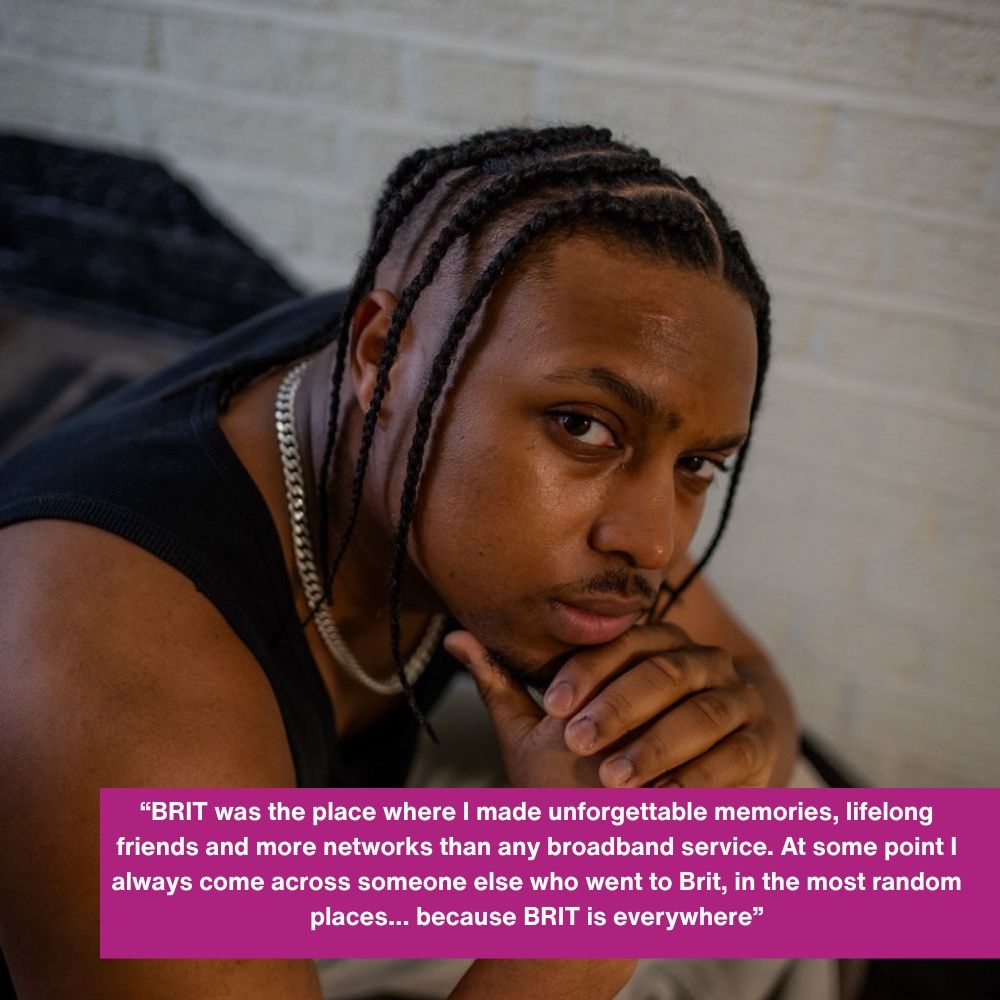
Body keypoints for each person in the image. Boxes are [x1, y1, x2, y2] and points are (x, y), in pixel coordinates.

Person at [0, 125, 798, 999]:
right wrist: (583, 920)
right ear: (381, 354)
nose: (653, 543)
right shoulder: (112, 672)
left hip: (306, 841)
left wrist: (717, 762)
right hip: (151, 859)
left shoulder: (455, 352)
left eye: (696, 464)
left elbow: (752, 684)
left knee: (848, 861)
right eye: (583, 426)